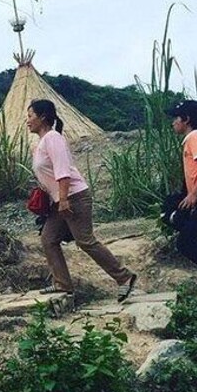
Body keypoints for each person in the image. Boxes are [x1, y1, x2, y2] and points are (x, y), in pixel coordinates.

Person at [27, 99, 137, 301]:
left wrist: (63, 199)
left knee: (85, 240)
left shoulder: (53, 138)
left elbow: (63, 170)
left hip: (72, 196)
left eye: (30, 116)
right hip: (59, 200)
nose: (28, 121)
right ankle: (62, 284)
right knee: (48, 239)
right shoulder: (42, 143)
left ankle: (124, 277)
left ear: (42, 117)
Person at [167, 100, 197, 266]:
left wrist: (194, 194)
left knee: (184, 243)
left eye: (176, 118)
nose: (173, 122)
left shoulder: (194, 137)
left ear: (186, 119)